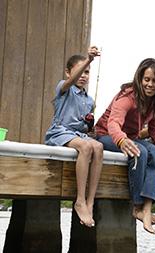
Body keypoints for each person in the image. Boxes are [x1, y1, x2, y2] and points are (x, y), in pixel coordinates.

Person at [95, 58, 155, 234]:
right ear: (140, 78)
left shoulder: (154, 103)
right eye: (146, 79)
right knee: (139, 151)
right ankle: (137, 206)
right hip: (106, 135)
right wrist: (122, 140)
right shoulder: (127, 97)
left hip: (130, 137)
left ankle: (147, 208)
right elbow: (113, 123)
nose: (150, 84)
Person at [45, 46, 103, 228]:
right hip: (59, 132)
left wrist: (89, 127)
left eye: (87, 72)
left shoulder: (89, 100)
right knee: (85, 147)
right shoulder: (64, 88)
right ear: (69, 72)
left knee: (98, 147)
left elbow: (85, 128)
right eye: (80, 71)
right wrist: (89, 59)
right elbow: (71, 81)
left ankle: (90, 201)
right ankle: (79, 200)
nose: (83, 75)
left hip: (77, 135)